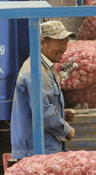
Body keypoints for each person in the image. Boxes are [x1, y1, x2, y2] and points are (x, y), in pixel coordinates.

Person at [10, 21, 76, 160]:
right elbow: (43, 111)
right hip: (37, 150)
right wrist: (66, 130)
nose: (64, 48)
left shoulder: (45, 67)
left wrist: (62, 113)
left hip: (42, 148)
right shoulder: (37, 71)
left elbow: (41, 104)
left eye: (65, 43)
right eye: (59, 43)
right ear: (42, 43)